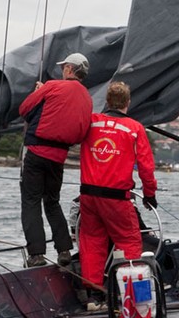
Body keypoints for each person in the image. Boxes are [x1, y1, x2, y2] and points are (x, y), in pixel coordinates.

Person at [77, 81, 158, 291]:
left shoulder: (90, 123)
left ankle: (93, 295)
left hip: (88, 196)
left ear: (107, 101)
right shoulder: (134, 129)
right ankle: (130, 293)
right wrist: (149, 194)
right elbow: (146, 168)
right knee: (129, 242)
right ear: (128, 102)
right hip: (117, 198)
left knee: (92, 242)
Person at [18, 52, 93, 268]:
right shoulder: (87, 98)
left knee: (31, 201)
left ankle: (37, 254)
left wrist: (41, 93)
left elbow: (24, 110)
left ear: (70, 69)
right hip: (59, 158)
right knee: (52, 202)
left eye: (64, 68)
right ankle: (64, 250)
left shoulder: (52, 86)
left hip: (36, 152)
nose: (62, 71)